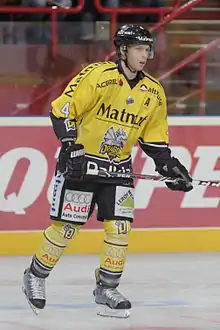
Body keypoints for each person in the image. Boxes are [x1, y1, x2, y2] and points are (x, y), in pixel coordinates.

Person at [22, 24, 193, 318]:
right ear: (123, 50)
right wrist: (69, 144)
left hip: (119, 169)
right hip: (81, 163)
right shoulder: (98, 76)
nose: (145, 56)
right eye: (139, 49)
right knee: (66, 228)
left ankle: (107, 288)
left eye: (147, 50)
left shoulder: (153, 91)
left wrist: (169, 167)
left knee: (120, 229)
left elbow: (153, 139)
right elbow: (62, 109)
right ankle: (35, 276)